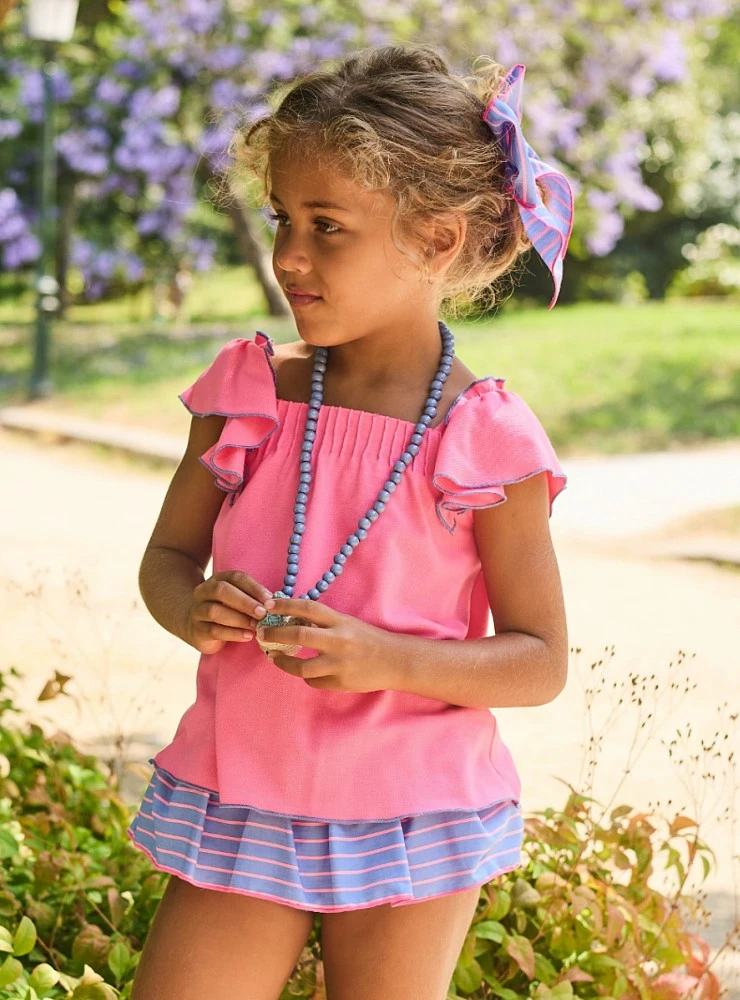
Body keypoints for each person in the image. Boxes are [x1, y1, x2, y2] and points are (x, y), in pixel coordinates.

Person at [127, 41, 572, 1000]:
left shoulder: (482, 436)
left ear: (438, 241)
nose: (289, 255)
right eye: (284, 218)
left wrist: (386, 658)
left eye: (328, 226)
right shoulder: (250, 394)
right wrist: (188, 603)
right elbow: (167, 556)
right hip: (242, 792)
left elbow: (539, 658)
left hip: (414, 816)